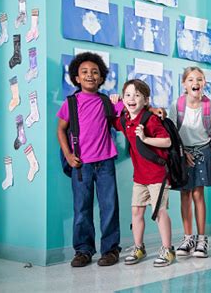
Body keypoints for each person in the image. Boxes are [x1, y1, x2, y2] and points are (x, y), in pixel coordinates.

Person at [57, 52, 121, 267]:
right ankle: (83, 250)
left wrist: (120, 101)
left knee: (109, 206)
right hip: (81, 164)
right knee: (82, 208)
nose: (90, 75)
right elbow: (61, 130)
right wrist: (68, 154)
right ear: (76, 78)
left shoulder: (107, 102)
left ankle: (111, 250)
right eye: (84, 72)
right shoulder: (71, 103)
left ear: (102, 78)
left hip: (105, 163)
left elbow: (131, 111)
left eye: (95, 72)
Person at [113, 79, 176, 267]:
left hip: (158, 174)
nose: (132, 99)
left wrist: (145, 138)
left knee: (158, 212)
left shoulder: (151, 119)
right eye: (128, 95)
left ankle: (168, 250)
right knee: (136, 211)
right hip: (139, 176)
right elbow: (113, 120)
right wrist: (116, 103)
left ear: (146, 100)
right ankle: (138, 247)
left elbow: (167, 142)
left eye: (137, 95)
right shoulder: (125, 120)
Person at [168, 66, 211, 258]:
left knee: (198, 194)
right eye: (190, 80)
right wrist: (182, 153)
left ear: (204, 83)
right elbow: (172, 132)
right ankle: (188, 237)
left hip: (202, 150)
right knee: (185, 195)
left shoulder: (209, 105)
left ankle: (201, 239)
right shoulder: (177, 105)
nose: (195, 83)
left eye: (199, 79)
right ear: (184, 84)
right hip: (183, 152)